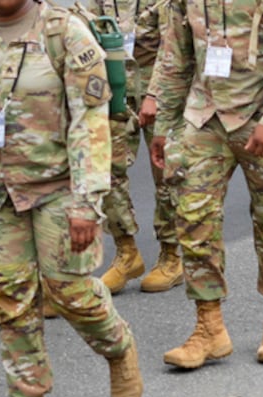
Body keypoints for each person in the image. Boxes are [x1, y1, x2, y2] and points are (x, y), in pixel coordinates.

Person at [0, 0, 143, 397]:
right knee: (12, 297)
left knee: (68, 290)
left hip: (59, 188)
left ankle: (118, 347)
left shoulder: (65, 33)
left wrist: (87, 201)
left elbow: (90, 122)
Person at [148, 0, 263, 367]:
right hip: (205, 114)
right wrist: (164, 124)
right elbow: (175, 57)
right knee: (192, 216)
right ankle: (209, 327)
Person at [91, 0, 184, 295]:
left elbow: (176, 45)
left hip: (161, 87)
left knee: (167, 172)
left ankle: (171, 255)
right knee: (106, 169)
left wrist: (156, 94)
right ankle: (127, 251)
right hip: (115, 88)